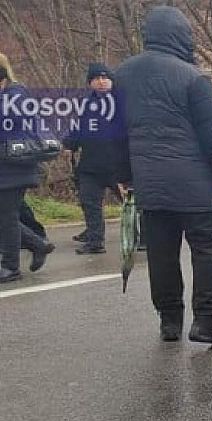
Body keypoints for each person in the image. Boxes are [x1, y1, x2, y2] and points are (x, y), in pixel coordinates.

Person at [115, 6, 212, 346]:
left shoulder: (121, 75)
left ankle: (169, 322)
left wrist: (123, 175)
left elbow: (115, 134)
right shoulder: (193, 77)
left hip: (150, 184)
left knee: (161, 253)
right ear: (182, 36)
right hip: (195, 187)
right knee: (206, 251)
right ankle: (207, 321)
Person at [0, 53, 53, 283]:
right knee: (5, 216)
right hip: (8, 166)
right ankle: (37, 244)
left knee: (7, 217)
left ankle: (10, 267)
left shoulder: (15, 96)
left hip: (15, 166)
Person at [63, 63, 125, 255]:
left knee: (133, 205)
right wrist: (69, 145)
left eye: (105, 77)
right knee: (89, 203)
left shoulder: (123, 101)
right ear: (90, 83)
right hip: (91, 164)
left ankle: (145, 237)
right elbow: (79, 128)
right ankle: (95, 240)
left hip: (119, 166)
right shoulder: (86, 104)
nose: (101, 81)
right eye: (96, 78)